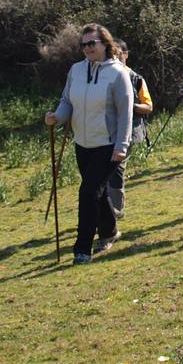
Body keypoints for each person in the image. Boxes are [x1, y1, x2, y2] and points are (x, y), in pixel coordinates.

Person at [43, 23, 134, 263]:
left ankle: (82, 249)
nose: (87, 48)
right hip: (82, 143)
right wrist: (57, 117)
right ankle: (109, 231)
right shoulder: (76, 70)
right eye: (83, 45)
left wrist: (121, 146)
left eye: (91, 43)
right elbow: (67, 101)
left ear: (105, 43)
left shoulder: (118, 73)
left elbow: (126, 113)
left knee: (87, 192)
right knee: (98, 191)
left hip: (108, 143)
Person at [109, 39, 153, 218]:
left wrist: (130, 106)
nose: (117, 58)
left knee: (117, 169)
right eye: (114, 54)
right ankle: (107, 211)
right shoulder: (106, 77)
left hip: (130, 133)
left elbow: (148, 106)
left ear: (126, 55)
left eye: (120, 54)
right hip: (108, 131)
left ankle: (116, 211)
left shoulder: (136, 78)